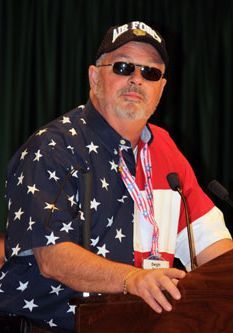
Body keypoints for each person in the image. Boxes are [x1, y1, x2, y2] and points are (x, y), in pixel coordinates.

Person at [0, 21, 232, 333]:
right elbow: (52, 256)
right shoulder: (53, 147)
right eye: (123, 67)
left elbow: (214, 250)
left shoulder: (165, 150)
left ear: (161, 88)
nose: (137, 79)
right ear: (94, 78)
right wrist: (131, 278)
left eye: (150, 72)